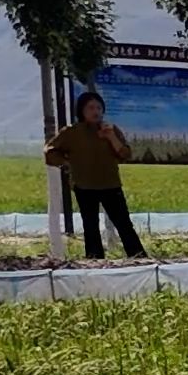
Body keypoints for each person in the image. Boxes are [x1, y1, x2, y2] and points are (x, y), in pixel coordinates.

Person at [45, 91, 146, 260]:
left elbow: (125, 154)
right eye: (91, 107)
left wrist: (111, 137)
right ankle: (94, 261)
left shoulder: (111, 130)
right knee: (90, 226)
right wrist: (67, 162)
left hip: (111, 185)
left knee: (124, 224)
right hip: (84, 186)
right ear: (82, 111)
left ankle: (139, 258)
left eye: (99, 107)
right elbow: (49, 152)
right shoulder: (72, 132)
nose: (96, 111)